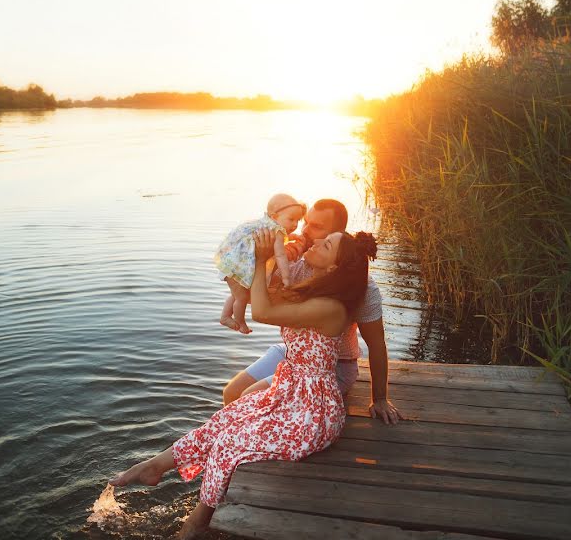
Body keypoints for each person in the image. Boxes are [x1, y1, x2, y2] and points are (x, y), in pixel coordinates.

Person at [109, 228, 378, 539]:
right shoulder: (312, 289)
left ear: (333, 267)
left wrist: (265, 257)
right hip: (288, 392)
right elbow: (253, 292)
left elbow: (262, 311)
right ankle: (155, 466)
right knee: (223, 420)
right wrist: (257, 255)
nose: (316, 241)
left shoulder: (331, 307)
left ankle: (199, 519)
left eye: (326, 244)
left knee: (230, 442)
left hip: (311, 412)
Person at [222, 198, 403, 425]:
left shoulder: (363, 288)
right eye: (306, 222)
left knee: (247, 399)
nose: (306, 230)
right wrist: (270, 257)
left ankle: (240, 445)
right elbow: (253, 297)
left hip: (332, 366)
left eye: (317, 227)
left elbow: (376, 344)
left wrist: (380, 398)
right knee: (231, 393)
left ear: (339, 235)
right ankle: (229, 441)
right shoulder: (296, 262)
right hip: (293, 354)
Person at [215, 193, 306, 334]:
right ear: (275, 216)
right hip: (237, 268)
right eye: (291, 219)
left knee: (236, 295)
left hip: (232, 265)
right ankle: (240, 322)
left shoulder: (263, 224)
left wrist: (290, 237)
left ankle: (225, 316)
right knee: (242, 297)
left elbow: (278, 242)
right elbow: (280, 255)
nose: (295, 225)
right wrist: (286, 278)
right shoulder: (277, 231)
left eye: (298, 221)